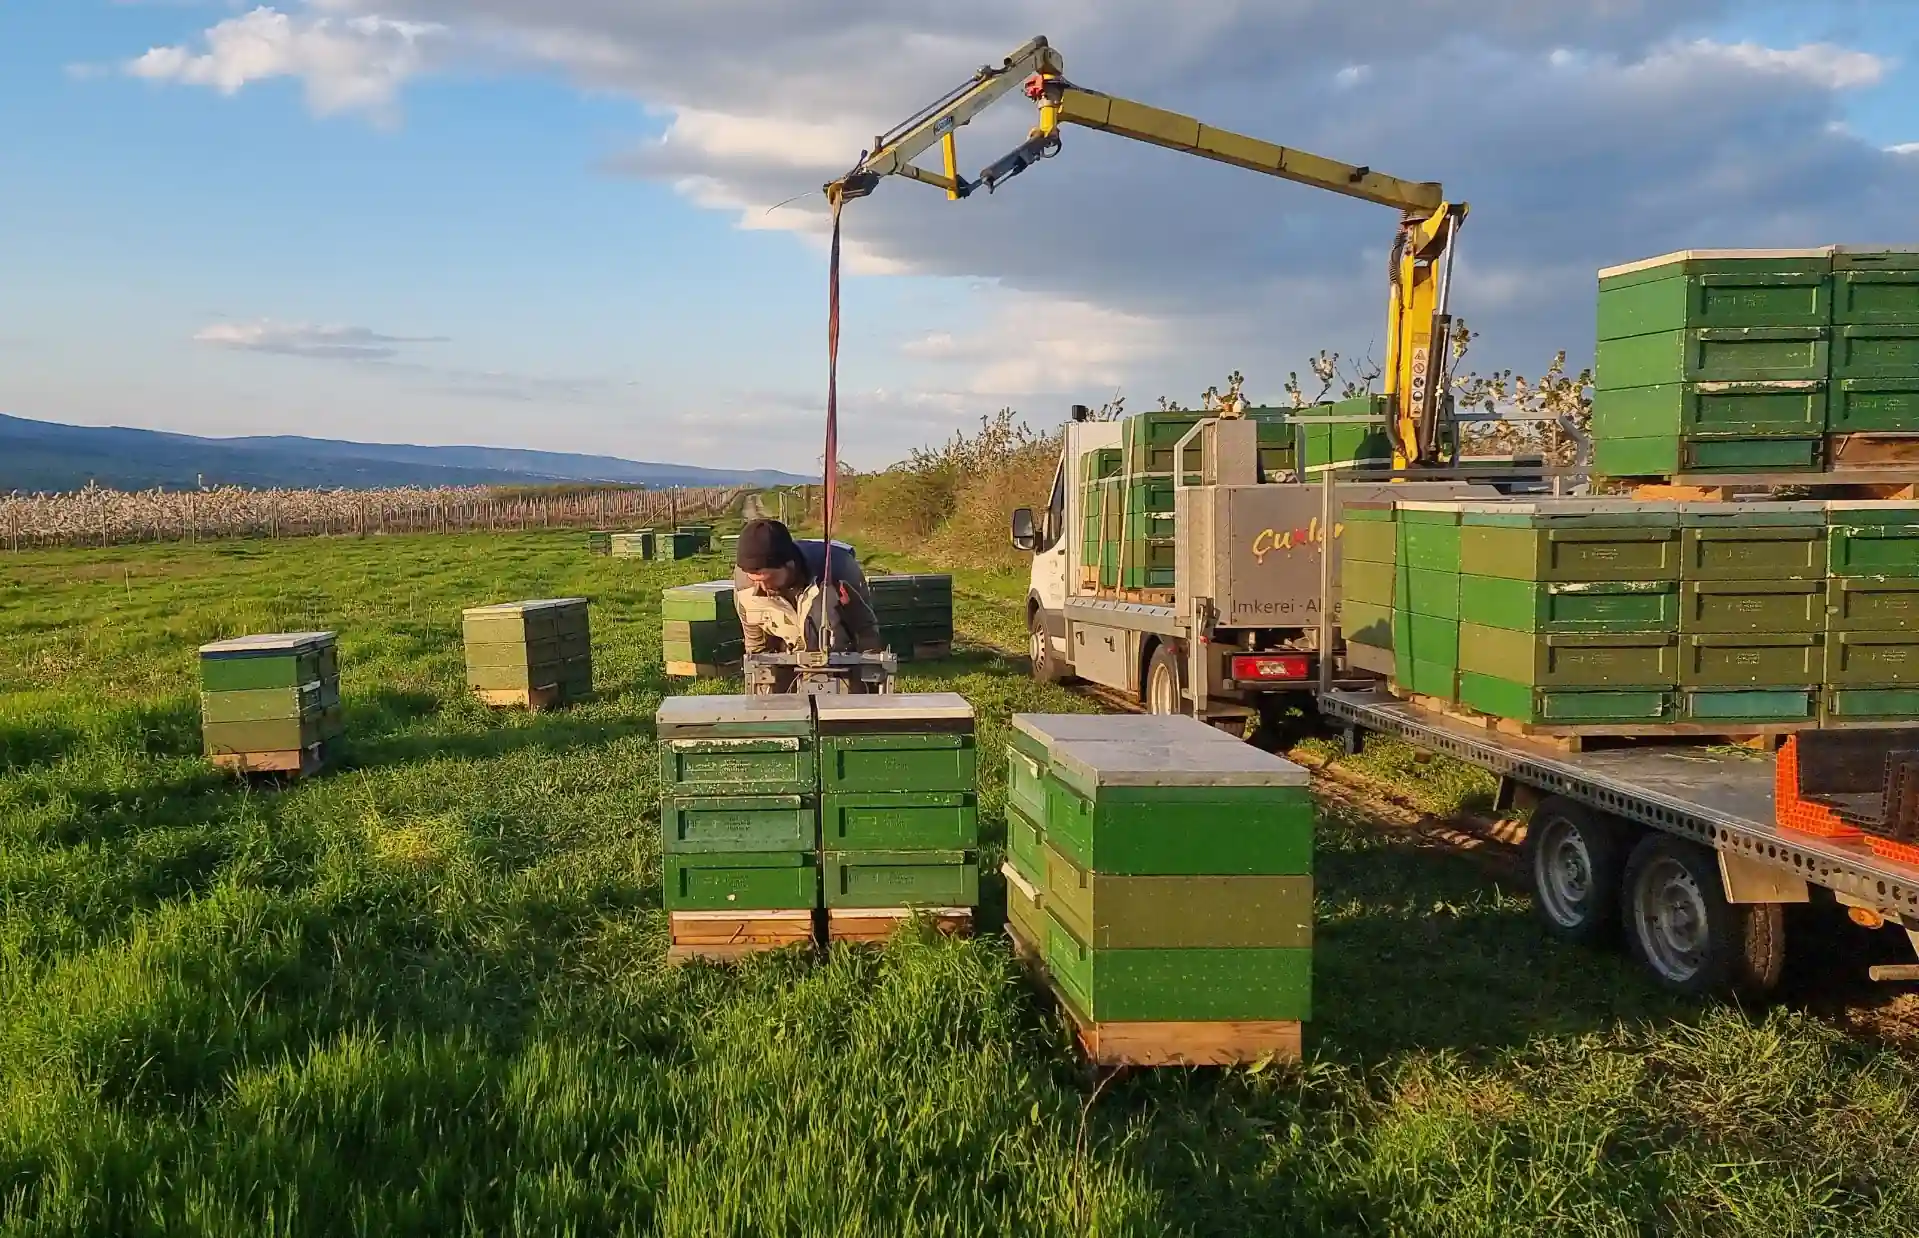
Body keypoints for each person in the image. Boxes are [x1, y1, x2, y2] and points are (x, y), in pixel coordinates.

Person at [732, 519, 883, 692]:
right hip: (787, 656)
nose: (763, 588)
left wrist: (871, 679)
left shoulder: (837, 571)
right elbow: (757, 646)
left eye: (769, 579)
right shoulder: (745, 585)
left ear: (789, 564)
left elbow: (865, 628)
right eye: (755, 579)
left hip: (839, 660)